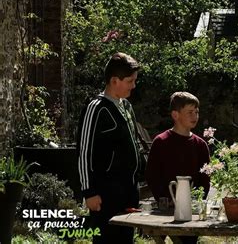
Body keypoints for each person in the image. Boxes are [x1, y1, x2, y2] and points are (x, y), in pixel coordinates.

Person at [77, 52, 143, 244]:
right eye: (130, 81)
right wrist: (88, 192)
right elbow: (84, 152)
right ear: (115, 81)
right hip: (105, 195)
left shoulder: (127, 106)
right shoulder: (96, 108)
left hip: (129, 192)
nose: (134, 85)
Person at [146, 91, 210, 244]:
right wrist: (164, 199)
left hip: (191, 209)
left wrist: (196, 200)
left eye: (197, 112)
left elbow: (205, 178)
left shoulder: (200, 145)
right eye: (190, 112)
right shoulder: (161, 142)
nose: (195, 116)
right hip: (165, 208)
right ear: (175, 115)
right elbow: (152, 175)